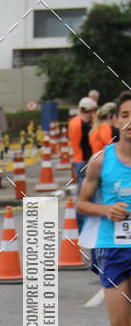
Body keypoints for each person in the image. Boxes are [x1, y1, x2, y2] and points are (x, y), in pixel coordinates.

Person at [77, 91, 131, 326]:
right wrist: (106, 209)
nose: (130, 122)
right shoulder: (101, 160)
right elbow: (81, 204)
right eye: (125, 115)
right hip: (112, 248)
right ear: (116, 120)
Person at [69, 96, 97, 231]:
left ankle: (81, 226)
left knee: (82, 194)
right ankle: (81, 227)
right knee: (85, 196)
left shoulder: (73, 121)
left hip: (76, 160)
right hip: (84, 160)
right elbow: (89, 143)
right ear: (91, 111)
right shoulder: (85, 125)